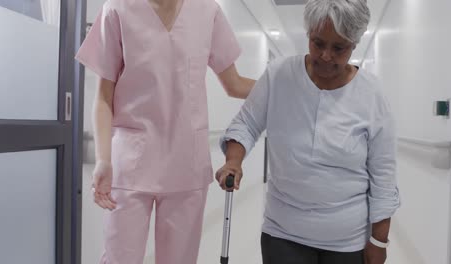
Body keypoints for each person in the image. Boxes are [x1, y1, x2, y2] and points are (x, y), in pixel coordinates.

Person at [215, 0, 400, 263]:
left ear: (355, 44)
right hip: (283, 233)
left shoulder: (371, 94)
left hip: (347, 241)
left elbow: (383, 175)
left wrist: (378, 241)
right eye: (317, 43)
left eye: (339, 48)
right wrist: (233, 162)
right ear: (308, 35)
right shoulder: (279, 75)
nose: (326, 55)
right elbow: (246, 123)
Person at [75, 0, 255, 263]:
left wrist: (285, 85)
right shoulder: (118, 9)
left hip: (186, 165)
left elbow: (234, 84)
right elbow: (104, 97)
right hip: (130, 165)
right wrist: (103, 160)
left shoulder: (207, 11)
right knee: (119, 258)